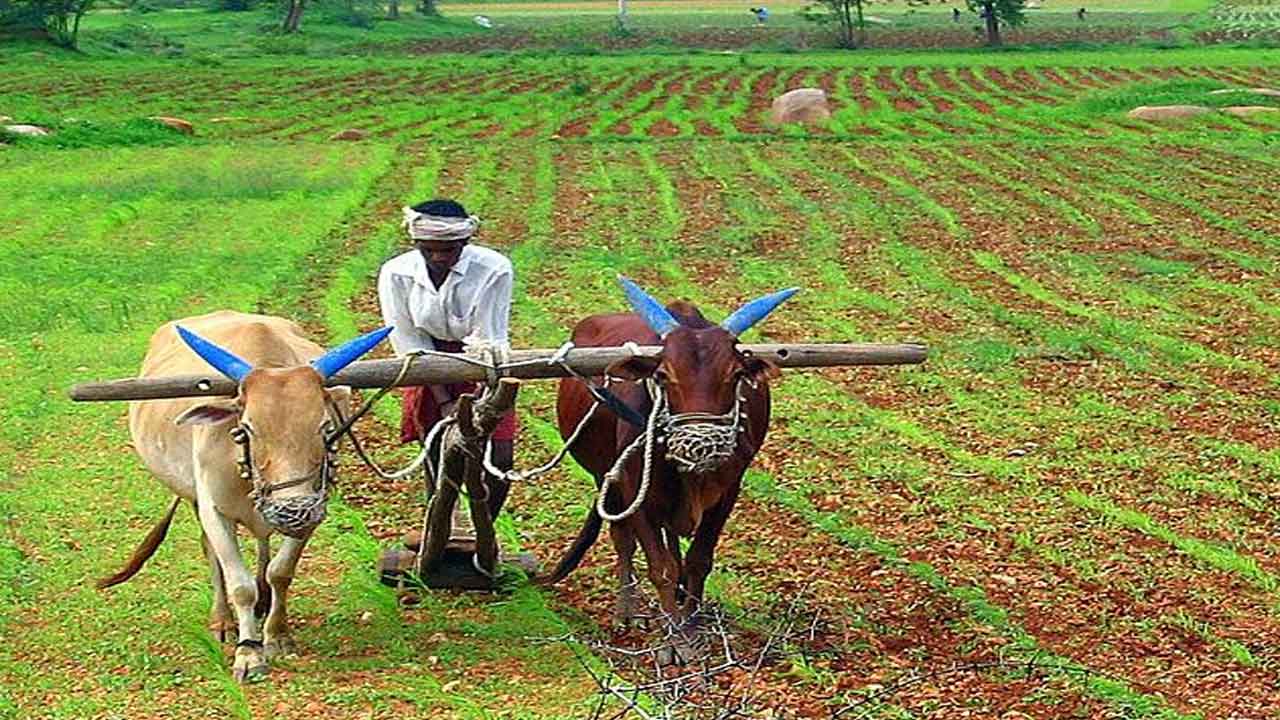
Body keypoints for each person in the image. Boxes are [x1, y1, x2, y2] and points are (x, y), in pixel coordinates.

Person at [378, 198, 516, 518]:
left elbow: (488, 337)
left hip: (481, 363)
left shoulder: (494, 268)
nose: (439, 257)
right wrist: (442, 400)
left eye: (449, 249)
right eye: (429, 249)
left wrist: (480, 401)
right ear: (416, 243)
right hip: (426, 364)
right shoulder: (396, 273)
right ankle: (439, 525)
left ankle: (486, 528)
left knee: (500, 458)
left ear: (465, 242)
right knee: (438, 452)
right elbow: (409, 340)